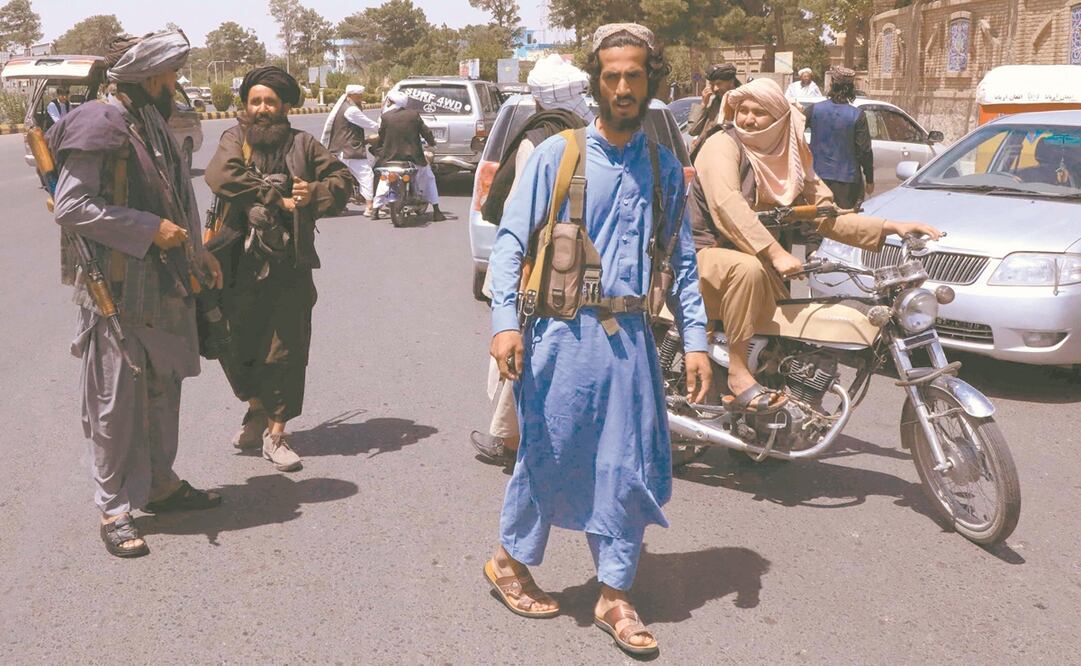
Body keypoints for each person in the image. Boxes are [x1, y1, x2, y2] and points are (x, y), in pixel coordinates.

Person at [483, 23, 710, 656]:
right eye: (611, 76)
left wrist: (696, 339)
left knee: (624, 464)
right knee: (548, 454)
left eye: (633, 75)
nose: (622, 86)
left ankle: (614, 593)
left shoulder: (665, 167)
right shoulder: (560, 153)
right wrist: (505, 323)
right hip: (560, 335)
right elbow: (509, 240)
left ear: (650, 81)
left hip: (632, 340)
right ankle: (509, 560)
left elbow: (682, 261)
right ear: (597, 83)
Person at [48, 29, 224, 559]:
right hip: (118, 289)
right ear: (150, 77)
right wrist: (150, 229)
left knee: (163, 388)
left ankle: (161, 484)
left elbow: (175, 192)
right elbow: (72, 207)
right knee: (115, 403)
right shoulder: (101, 121)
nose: (175, 83)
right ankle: (114, 508)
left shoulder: (147, 119)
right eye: (170, 74)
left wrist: (196, 250)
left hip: (165, 284)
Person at [690, 78, 940, 411]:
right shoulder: (723, 144)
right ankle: (737, 371)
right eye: (743, 111)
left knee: (797, 329)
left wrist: (891, 226)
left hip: (760, 264)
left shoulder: (791, 156)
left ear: (779, 118)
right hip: (700, 255)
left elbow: (827, 215)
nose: (748, 119)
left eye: (759, 112)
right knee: (747, 268)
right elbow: (727, 206)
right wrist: (776, 254)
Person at [205, 66, 354, 472]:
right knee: (234, 344)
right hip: (237, 265)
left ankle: (276, 432)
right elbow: (221, 175)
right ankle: (255, 409)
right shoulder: (234, 138)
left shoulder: (303, 144)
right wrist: (278, 196)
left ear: (286, 106)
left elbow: (344, 180)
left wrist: (312, 192)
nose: (263, 109)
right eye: (255, 101)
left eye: (270, 101)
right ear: (246, 107)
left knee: (285, 351)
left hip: (289, 266)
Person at [469, 53, 594, 465]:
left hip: (540, 264)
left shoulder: (537, 138)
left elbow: (519, 216)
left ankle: (508, 439)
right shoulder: (587, 132)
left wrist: (520, 268)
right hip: (568, 262)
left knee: (521, 348)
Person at [371, 89, 446, 221]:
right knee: (429, 178)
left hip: (390, 158)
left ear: (390, 101)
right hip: (413, 158)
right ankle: (436, 210)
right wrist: (432, 143)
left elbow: (381, 137)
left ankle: (375, 211)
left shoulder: (385, 117)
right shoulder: (413, 115)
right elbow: (425, 132)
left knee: (384, 181)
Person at [805, 67, 874, 208]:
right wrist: (870, 179)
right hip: (847, 182)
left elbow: (794, 132)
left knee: (816, 223)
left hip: (817, 179)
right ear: (851, 88)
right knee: (844, 223)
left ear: (832, 84)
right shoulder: (857, 115)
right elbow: (864, 151)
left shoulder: (814, 110)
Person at [322, 84, 380, 216]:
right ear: (350, 97)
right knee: (366, 175)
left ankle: (339, 205)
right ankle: (370, 206)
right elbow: (369, 124)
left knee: (344, 178)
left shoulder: (345, 107)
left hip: (341, 149)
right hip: (349, 151)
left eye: (360, 96)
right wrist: (386, 128)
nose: (360, 99)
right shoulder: (351, 110)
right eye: (358, 97)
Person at [687, 63, 740, 141]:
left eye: (719, 83)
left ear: (731, 82)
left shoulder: (743, 103)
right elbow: (692, 131)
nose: (715, 88)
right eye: (712, 84)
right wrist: (703, 104)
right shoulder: (713, 103)